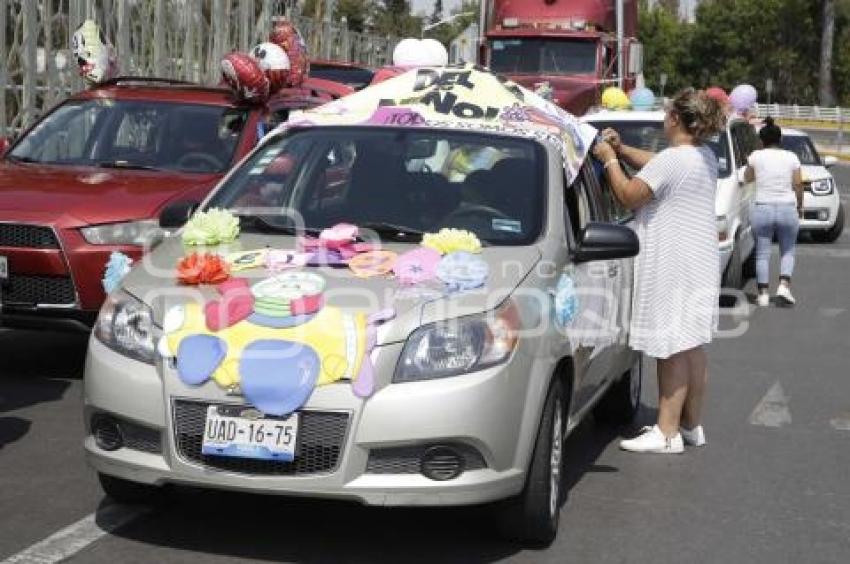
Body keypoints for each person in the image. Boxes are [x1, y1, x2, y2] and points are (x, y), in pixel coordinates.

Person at [592, 88, 725, 454]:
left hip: (673, 261)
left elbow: (630, 195)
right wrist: (622, 151)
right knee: (691, 345)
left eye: (667, 114)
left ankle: (666, 434)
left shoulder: (674, 160)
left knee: (670, 347)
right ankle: (690, 425)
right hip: (698, 261)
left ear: (676, 120)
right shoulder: (703, 156)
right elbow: (657, 164)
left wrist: (608, 161)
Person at [744, 117, 803, 307]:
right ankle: (784, 285)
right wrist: (800, 206)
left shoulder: (756, 156)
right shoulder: (791, 157)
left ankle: (762, 294)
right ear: (781, 139)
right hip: (787, 207)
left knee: (762, 253)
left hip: (763, 207)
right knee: (788, 250)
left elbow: (747, 178)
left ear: (761, 141)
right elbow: (798, 184)